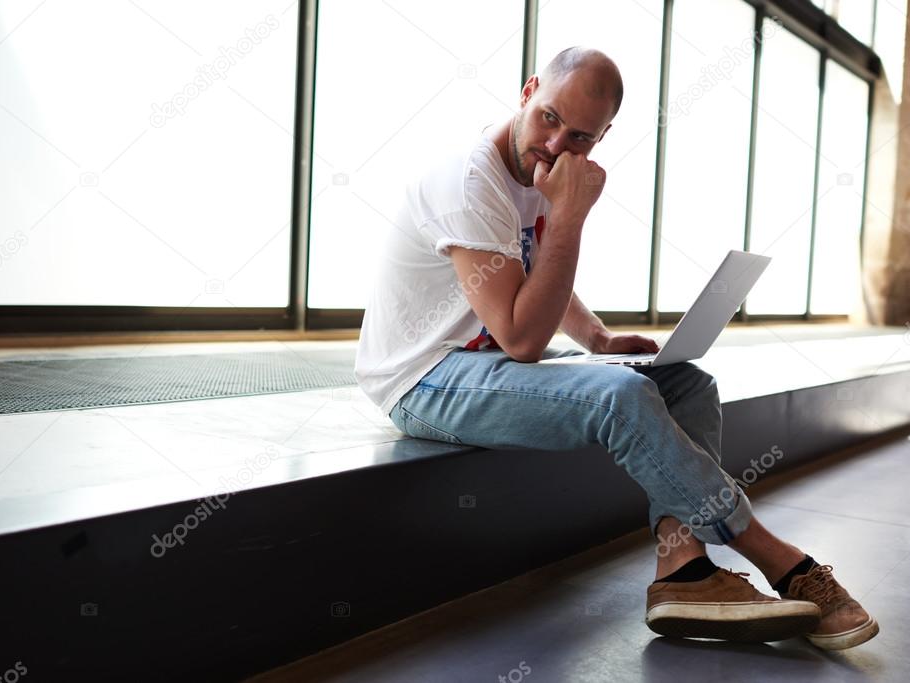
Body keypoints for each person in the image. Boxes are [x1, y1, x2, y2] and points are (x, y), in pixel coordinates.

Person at [354, 46, 878, 649]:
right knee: (620, 396)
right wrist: (570, 217)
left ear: (603, 136)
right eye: (548, 117)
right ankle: (778, 557)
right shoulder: (469, 182)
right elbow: (523, 338)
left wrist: (597, 338)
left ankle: (682, 570)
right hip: (425, 378)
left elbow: (532, 276)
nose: (555, 145)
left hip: (483, 359)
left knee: (686, 383)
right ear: (527, 93)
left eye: (579, 136)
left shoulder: (540, 172)